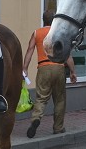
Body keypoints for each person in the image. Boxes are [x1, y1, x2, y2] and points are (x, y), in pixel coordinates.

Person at [23, 10, 77, 138]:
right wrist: (73, 72)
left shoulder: (37, 33)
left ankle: (36, 118)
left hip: (43, 68)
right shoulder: (59, 33)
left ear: (43, 20)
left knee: (41, 98)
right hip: (58, 67)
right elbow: (67, 55)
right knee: (59, 99)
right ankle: (58, 127)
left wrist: (24, 68)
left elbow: (30, 50)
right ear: (53, 20)